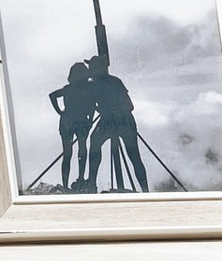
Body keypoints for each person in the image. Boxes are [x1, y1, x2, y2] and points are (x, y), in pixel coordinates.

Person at [88, 57, 149, 190]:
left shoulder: (108, 83)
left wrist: (110, 110)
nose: (90, 70)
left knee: (133, 156)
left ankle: (91, 184)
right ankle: (145, 190)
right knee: (134, 157)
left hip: (120, 120)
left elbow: (129, 105)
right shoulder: (109, 82)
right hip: (121, 121)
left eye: (92, 67)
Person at [49, 55, 101, 190]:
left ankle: (67, 185)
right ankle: (80, 178)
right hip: (80, 121)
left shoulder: (69, 88)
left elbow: (52, 95)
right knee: (81, 151)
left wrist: (60, 112)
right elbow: (92, 105)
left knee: (68, 154)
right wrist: (90, 118)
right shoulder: (88, 88)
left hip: (67, 121)